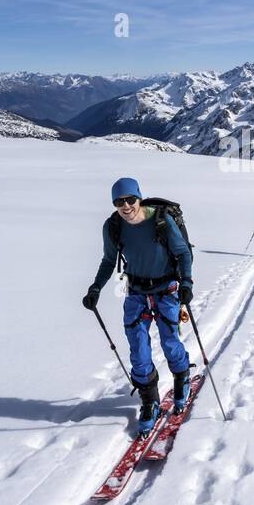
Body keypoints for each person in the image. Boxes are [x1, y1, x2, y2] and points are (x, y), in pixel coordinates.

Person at [82, 177, 193, 437]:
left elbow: (183, 253)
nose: (126, 206)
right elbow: (109, 260)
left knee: (170, 342)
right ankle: (150, 401)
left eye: (130, 199)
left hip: (166, 290)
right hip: (136, 292)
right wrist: (95, 287)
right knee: (138, 350)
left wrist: (186, 283)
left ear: (139, 197)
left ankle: (182, 377)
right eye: (119, 201)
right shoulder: (113, 227)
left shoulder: (161, 221)